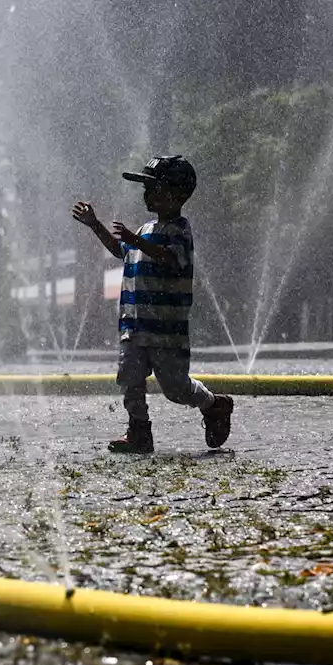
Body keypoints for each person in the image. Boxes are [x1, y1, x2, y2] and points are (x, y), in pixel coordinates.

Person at [71, 155, 233, 454]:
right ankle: (139, 432)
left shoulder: (180, 230)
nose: (146, 194)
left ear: (176, 193)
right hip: (134, 324)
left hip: (166, 329)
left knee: (175, 388)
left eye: (152, 187)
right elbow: (121, 250)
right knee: (129, 376)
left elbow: (171, 259)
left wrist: (138, 241)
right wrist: (95, 225)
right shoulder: (145, 229)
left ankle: (214, 405)